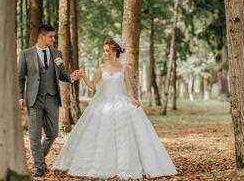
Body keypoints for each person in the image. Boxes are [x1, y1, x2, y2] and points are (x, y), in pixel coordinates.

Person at [52, 37, 177, 179]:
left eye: (107, 51)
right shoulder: (101, 68)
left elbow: (129, 87)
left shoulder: (124, 69)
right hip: (103, 104)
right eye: (104, 50)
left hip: (121, 103)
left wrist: (133, 98)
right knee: (100, 135)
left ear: (114, 52)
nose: (104, 53)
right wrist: (83, 76)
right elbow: (92, 85)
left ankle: (127, 166)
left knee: (125, 136)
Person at [18, 24, 80, 177]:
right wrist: (20, 97)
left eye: (54, 36)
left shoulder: (56, 53)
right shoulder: (26, 54)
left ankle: (39, 158)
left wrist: (72, 77)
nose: (53, 39)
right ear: (41, 36)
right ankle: (40, 166)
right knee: (34, 135)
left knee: (52, 133)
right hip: (34, 99)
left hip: (52, 98)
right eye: (51, 36)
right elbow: (20, 78)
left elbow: (61, 75)